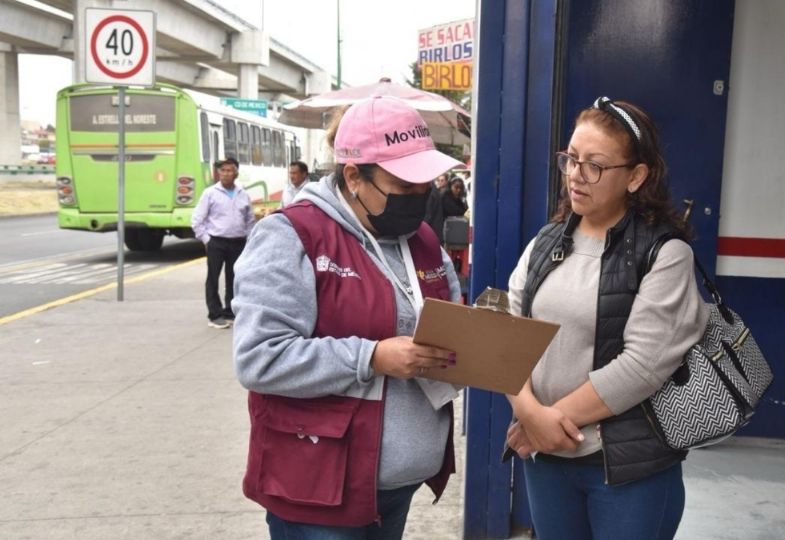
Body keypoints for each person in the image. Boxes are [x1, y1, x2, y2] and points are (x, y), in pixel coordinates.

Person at [232, 95, 464, 539]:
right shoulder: (293, 235)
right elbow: (259, 357)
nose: (420, 198)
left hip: (397, 485)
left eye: (425, 186)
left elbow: (449, 319)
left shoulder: (421, 239)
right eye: (405, 186)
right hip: (318, 486)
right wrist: (371, 358)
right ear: (354, 176)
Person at [503, 97, 708, 540]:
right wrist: (526, 409)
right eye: (571, 159)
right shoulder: (547, 241)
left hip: (627, 470)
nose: (576, 175)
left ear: (636, 177)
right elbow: (506, 329)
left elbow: (643, 365)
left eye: (594, 165)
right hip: (549, 463)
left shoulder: (664, 253)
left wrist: (545, 422)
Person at [191, 157, 253, 329]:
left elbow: (249, 220)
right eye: (223, 171)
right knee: (213, 278)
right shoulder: (210, 193)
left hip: (238, 242)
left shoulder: (242, 193)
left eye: (229, 170)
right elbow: (197, 220)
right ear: (218, 173)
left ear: (236, 173)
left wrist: (248, 239)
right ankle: (214, 314)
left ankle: (230, 311)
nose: (226, 174)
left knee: (234, 278)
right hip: (216, 242)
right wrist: (206, 239)